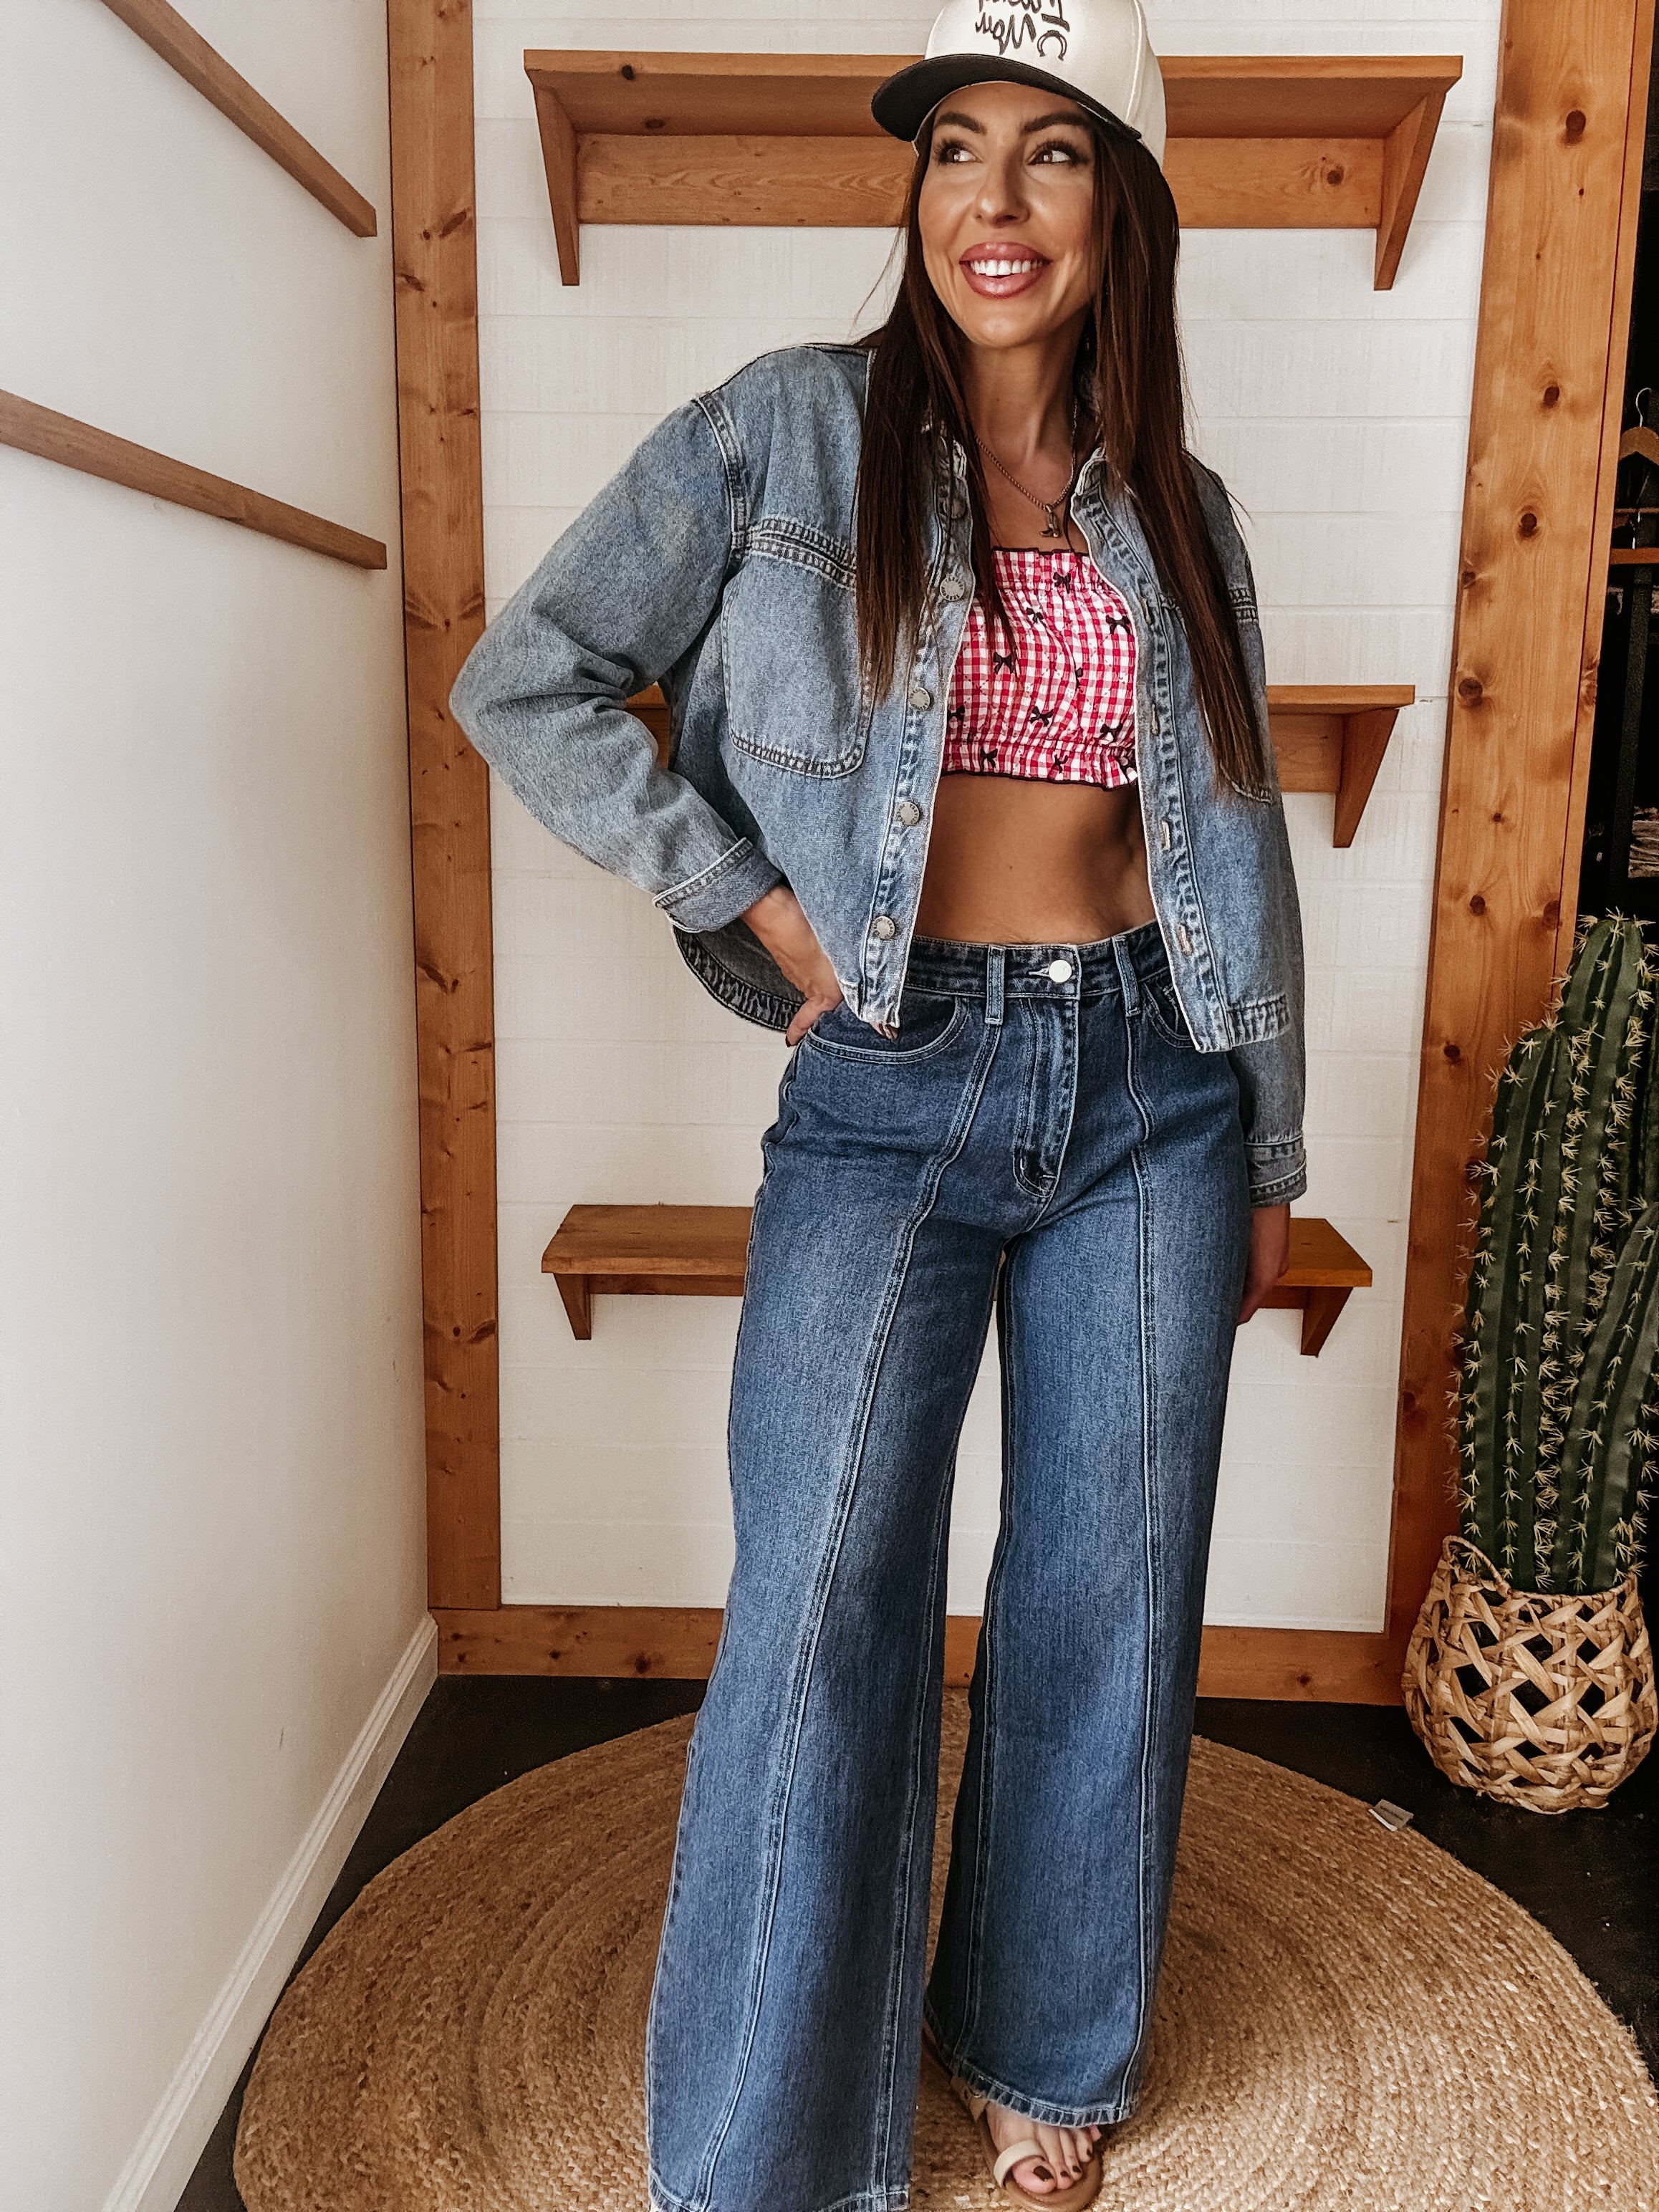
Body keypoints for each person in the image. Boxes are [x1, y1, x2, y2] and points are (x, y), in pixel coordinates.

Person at [448, 3, 1306, 2206]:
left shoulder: (1184, 508)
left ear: (1123, 203)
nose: (991, 206)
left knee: (1105, 1599)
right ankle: (767, 2150)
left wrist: (1266, 1160)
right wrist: (744, 894)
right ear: (913, 191)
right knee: (821, 1601)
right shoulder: (779, 438)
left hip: (1152, 1090)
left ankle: (1046, 2052)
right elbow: (522, 676)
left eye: (1048, 157)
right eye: (954, 154)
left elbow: (1224, 851)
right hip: (889, 1081)